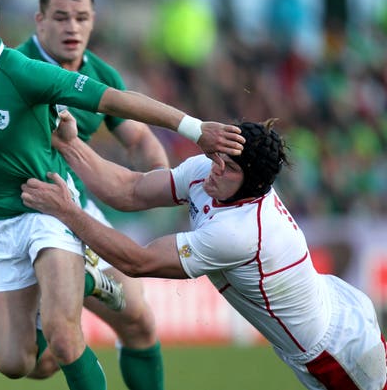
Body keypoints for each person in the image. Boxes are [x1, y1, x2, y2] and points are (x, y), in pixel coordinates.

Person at [0, 0, 243, 390]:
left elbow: (119, 106)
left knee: (92, 331)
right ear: (39, 22)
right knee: (21, 362)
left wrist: (193, 130)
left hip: (51, 209)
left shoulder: (29, 73)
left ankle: (88, 279)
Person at [20, 113, 387, 390]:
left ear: (253, 185)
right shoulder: (210, 171)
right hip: (337, 304)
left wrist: (68, 210)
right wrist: (69, 143)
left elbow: (138, 260)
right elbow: (130, 190)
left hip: (334, 354)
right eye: (218, 158)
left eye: (228, 168)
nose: (215, 168)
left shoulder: (240, 232)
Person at [15, 0, 165, 390]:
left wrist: (159, 178)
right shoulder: (12, 65)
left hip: (76, 209)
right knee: (37, 360)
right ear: (40, 20)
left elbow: (138, 137)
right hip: (23, 215)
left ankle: (83, 279)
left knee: (139, 321)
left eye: (81, 18)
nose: (72, 28)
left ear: (93, 21)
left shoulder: (101, 73)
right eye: (61, 17)